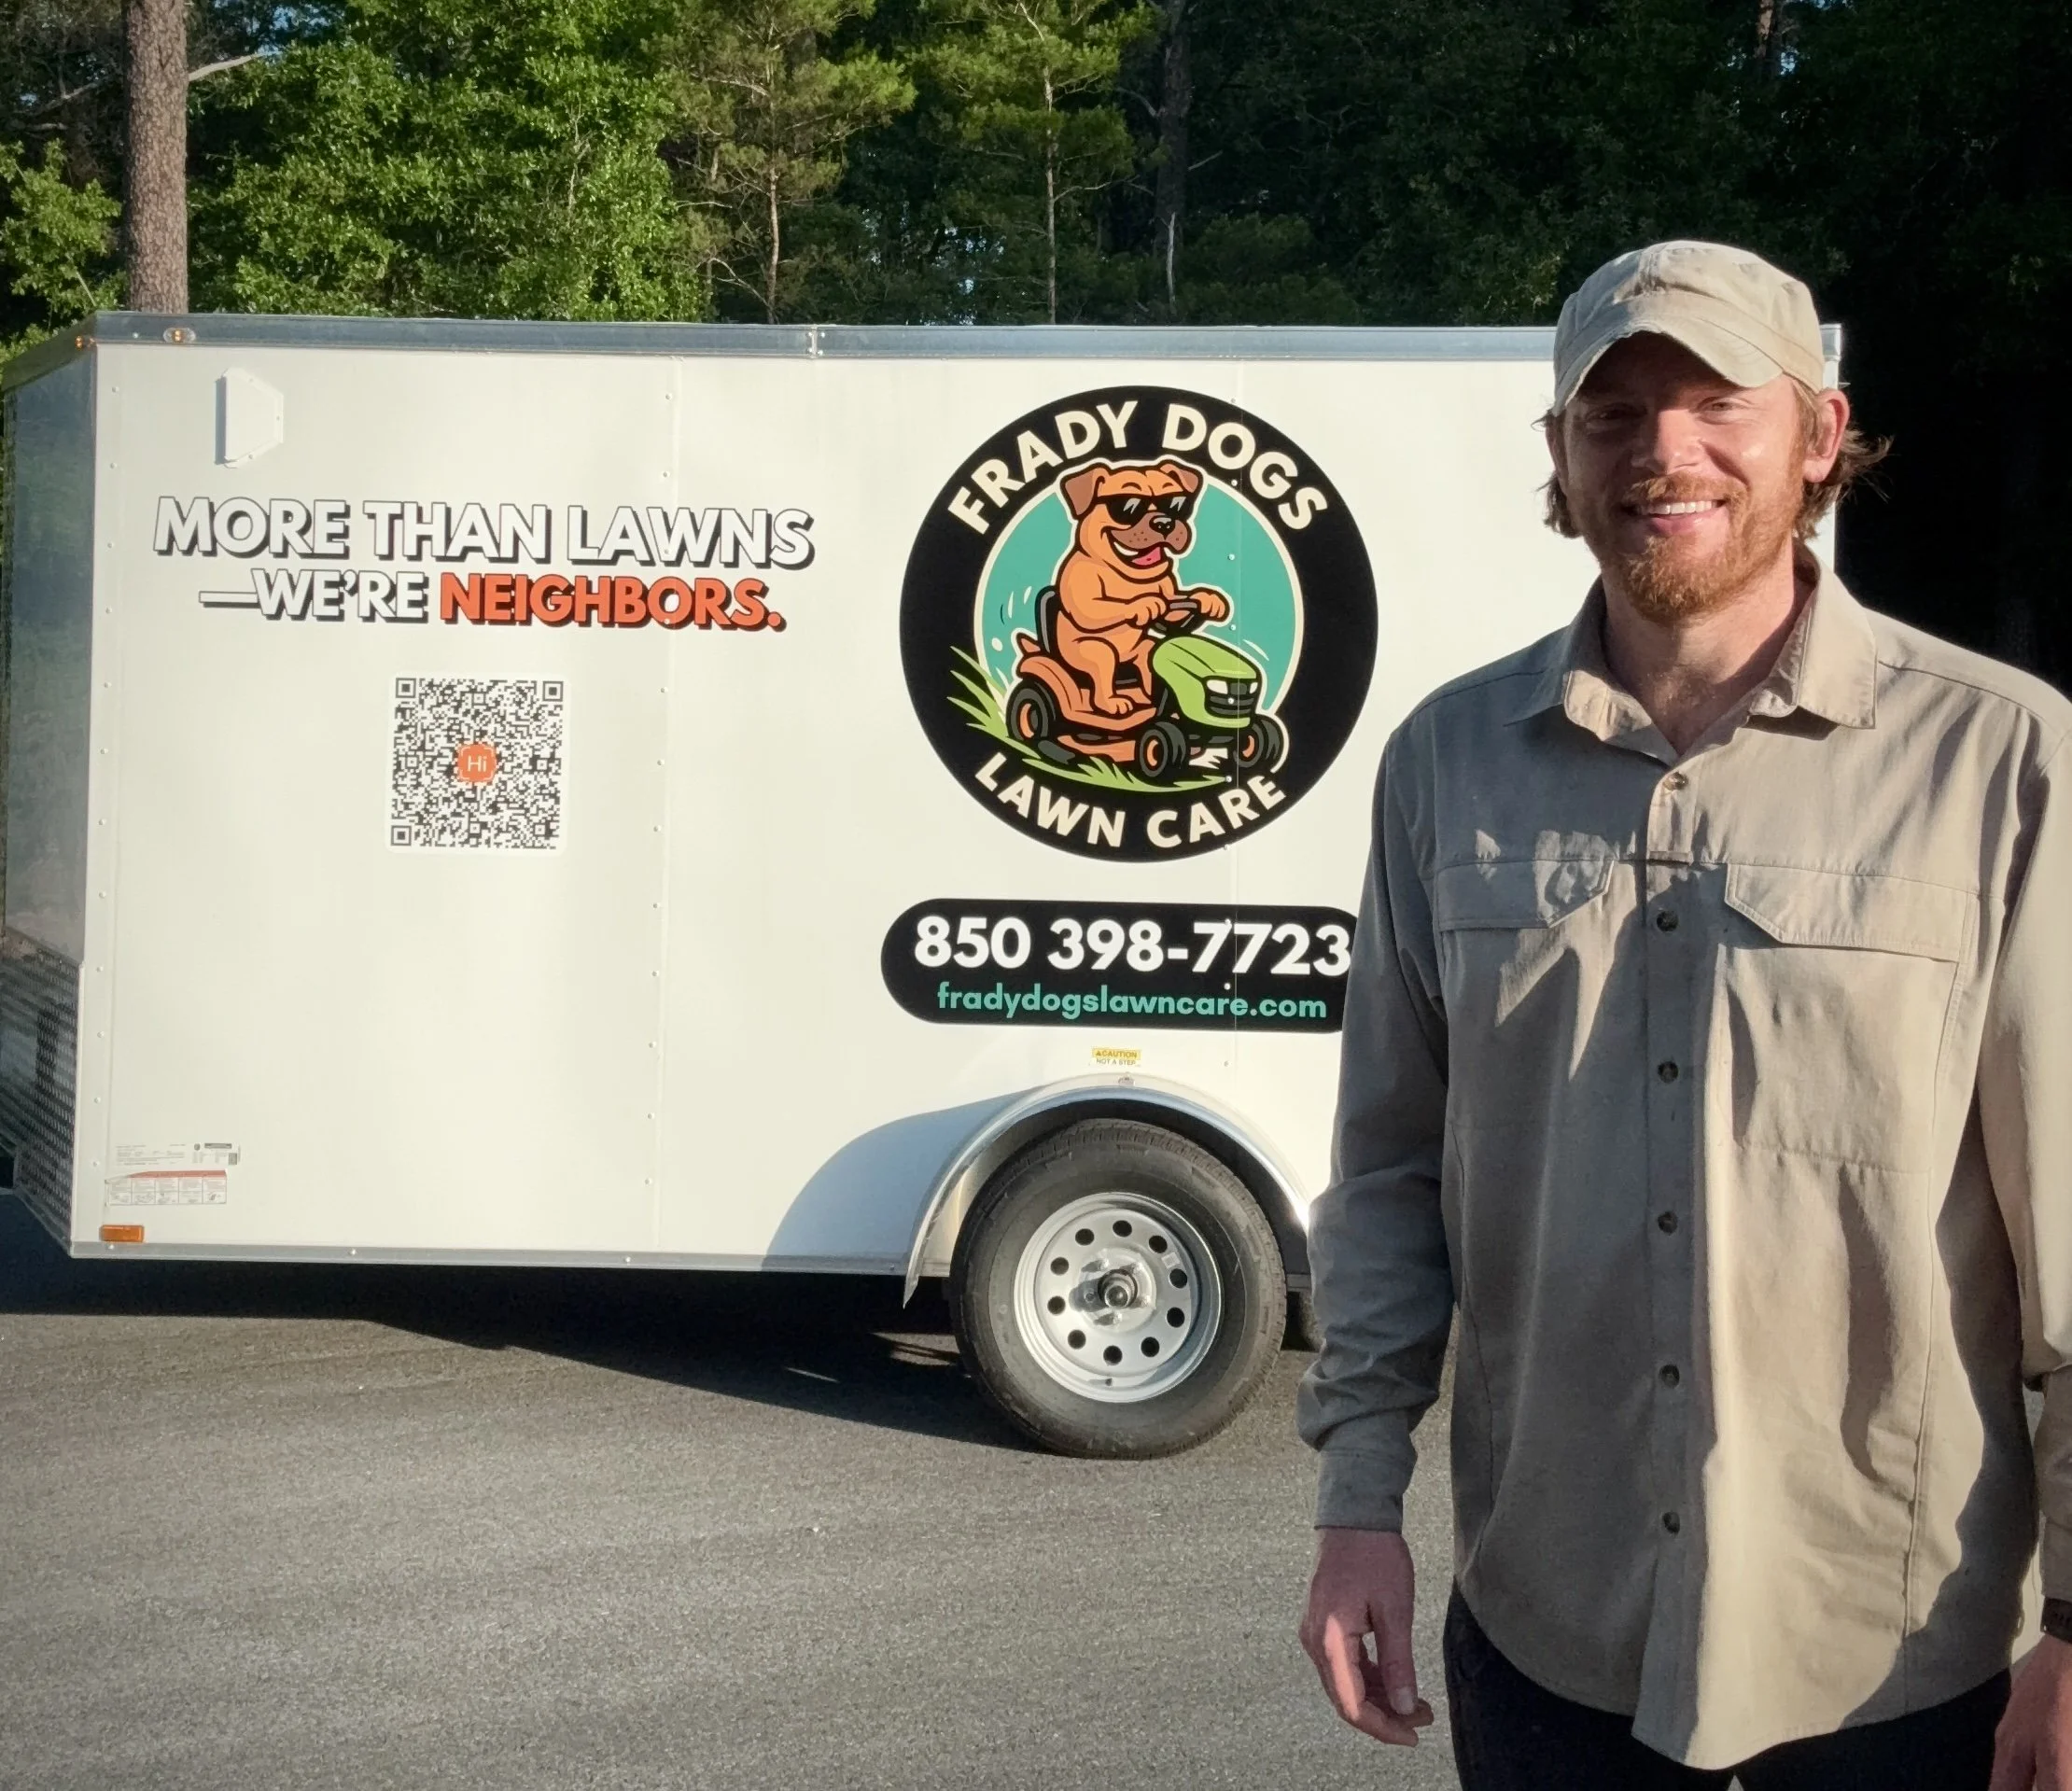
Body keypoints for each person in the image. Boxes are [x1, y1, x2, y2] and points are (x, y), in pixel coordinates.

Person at [1295, 239, 2072, 1789]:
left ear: (1821, 436)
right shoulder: (1447, 764)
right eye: (1614, 413)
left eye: (1719, 400)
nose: (1665, 452)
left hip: (1890, 1665)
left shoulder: (2001, 761)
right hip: (1545, 1640)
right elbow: (1386, 1168)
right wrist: (1356, 1502)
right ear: (1561, 460)